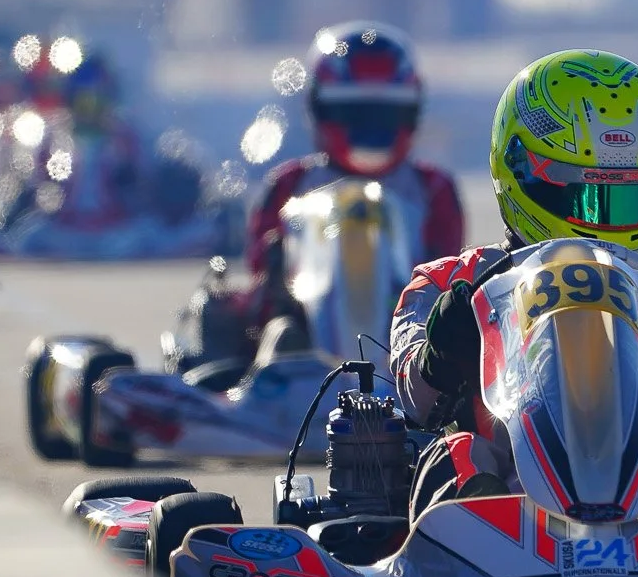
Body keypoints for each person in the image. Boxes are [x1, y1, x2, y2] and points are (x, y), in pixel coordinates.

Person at [391, 49, 638, 514]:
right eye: (589, 197)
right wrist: (442, 356)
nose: (607, 221)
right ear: (519, 171)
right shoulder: (447, 283)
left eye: (630, 196)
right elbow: (413, 401)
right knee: (456, 453)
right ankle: (475, 531)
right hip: (510, 487)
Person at [181, 22, 463, 366]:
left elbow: (448, 276)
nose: (370, 125)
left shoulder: (432, 188)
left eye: (384, 112)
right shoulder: (289, 184)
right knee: (216, 307)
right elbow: (260, 281)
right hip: (297, 353)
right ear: (319, 108)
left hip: (411, 349)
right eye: (354, 112)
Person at [50, 53, 143, 229]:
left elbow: (138, 186)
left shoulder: (124, 140)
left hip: (115, 229)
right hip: (65, 229)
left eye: (98, 101)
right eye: (83, 101)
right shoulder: (56, 139)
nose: (90, 109)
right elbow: (42, 189)